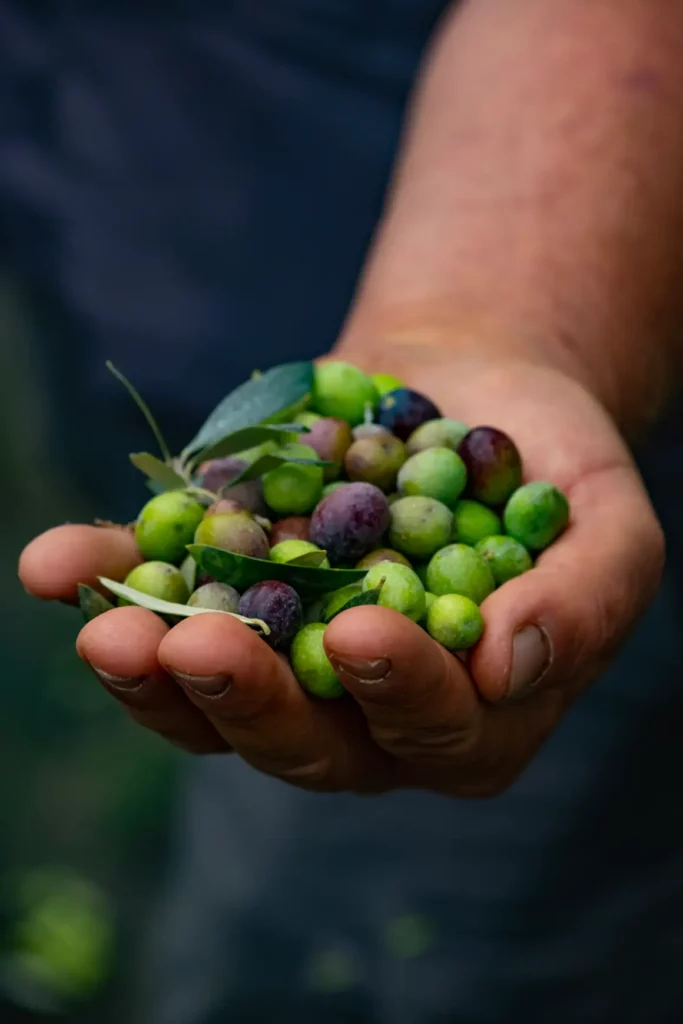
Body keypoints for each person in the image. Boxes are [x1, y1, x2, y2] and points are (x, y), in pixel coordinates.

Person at [12, 0, 683, 1020]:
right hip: (110, 245)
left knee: (370, 959)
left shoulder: (404, 498)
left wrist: (503, 315)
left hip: (589, 291)